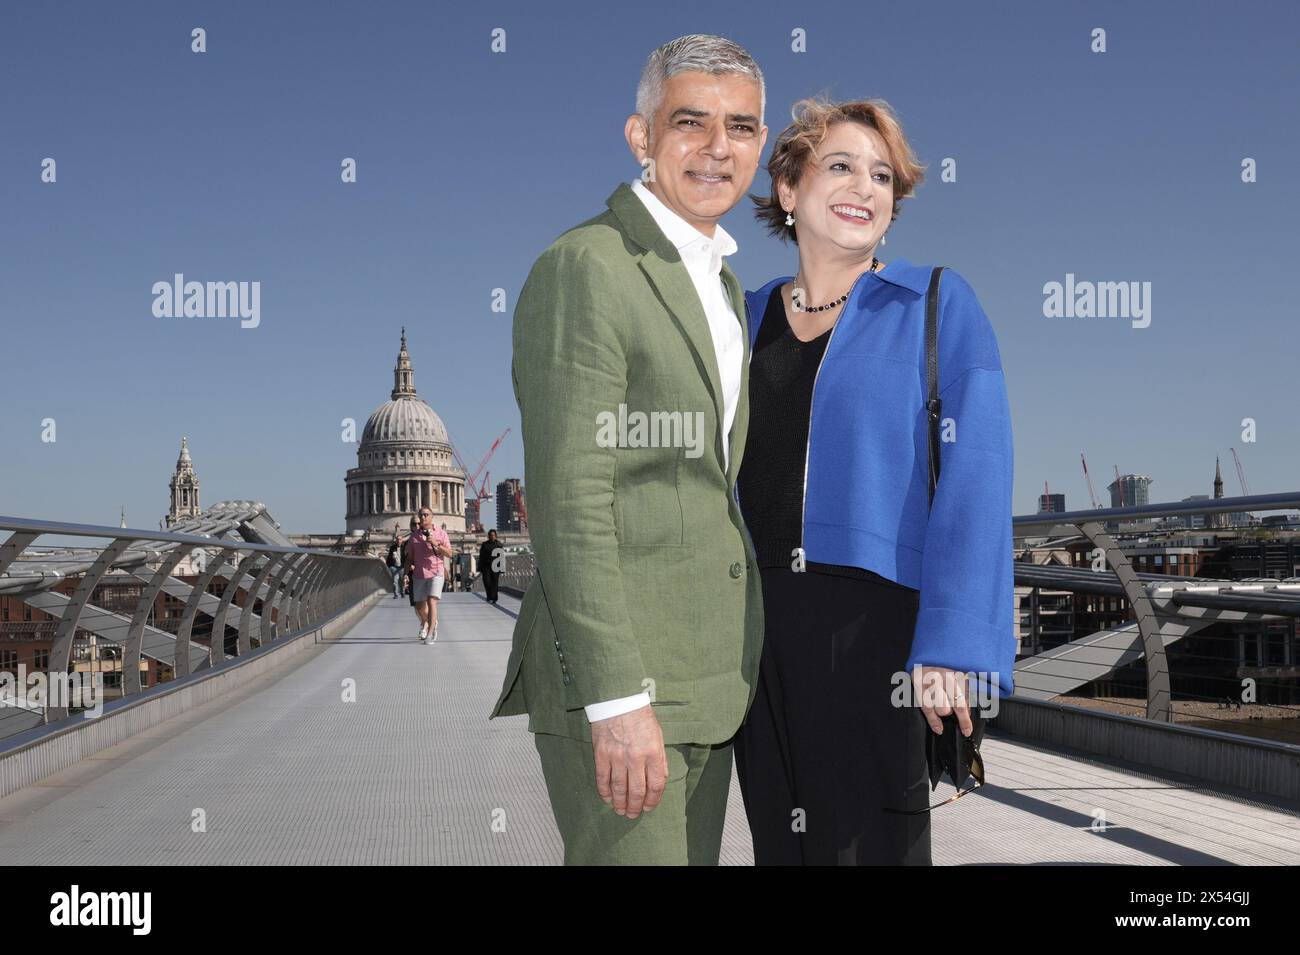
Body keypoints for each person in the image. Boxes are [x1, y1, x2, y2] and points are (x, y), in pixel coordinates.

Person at [488, 34, 767, 865]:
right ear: (642, 137)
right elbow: (570, 501)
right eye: (692, 122)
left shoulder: (718, 284)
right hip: (629, 689)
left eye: (743, 127)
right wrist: (616, 698)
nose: (720, 147)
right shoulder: (588, 268)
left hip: (708, 682)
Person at [733, 96, 1016, 865]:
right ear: (788, 190)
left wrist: (953, 645)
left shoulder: (937, 304)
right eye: (840, 166)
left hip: (877, 629)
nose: (864, 186)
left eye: (882, 176)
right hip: (757, 629)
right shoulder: (740, 317)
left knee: (872, 849)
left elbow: (978, 476)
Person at [404, 507, 452, 642]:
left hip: (436, 571)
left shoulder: (441, 534)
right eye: (421, 515)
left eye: (426, 515)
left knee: (431, 601)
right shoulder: (413, 537)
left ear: (432, 516)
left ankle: (430, 633)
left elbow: (449, 553)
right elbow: (409, 558)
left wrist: (436, 544)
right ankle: (431, 622)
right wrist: (405, 574)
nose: (423, 517)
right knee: (419, 607)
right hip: (419, 573)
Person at [478, 530, 504, 603]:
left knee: (495, 583)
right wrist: (480, 567)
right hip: (486, 566)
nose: (492, 536)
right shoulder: (484, 544)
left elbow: (501, 557)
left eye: (493, 535)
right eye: (491, 535)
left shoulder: (499, 545)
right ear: (488, 536)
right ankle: (489, 596)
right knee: (487, 582)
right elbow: (481, 556)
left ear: (495, 536)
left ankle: (494, 598)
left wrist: (502, 568)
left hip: (496, 566)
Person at [385, 533, 403, 598]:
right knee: (395, 581)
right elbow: (389, 557)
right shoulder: (392, 547)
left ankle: (402, 592)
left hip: (402, 567)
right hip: (394, 566)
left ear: (402, 540)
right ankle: (396, 594)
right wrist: (390, 565)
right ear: (396, 540)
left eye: (400, 539)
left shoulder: (404, 547)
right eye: (397, 539)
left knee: (401, 581)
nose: (398, 541)